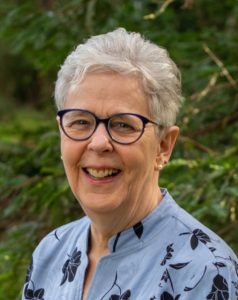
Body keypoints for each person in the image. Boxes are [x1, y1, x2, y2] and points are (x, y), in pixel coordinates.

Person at [22, 28, 238, 300]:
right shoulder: (50, 253)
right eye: (80, 122)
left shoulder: (204, 271)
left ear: (163, 146)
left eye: (123, 124)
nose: (99, 142)